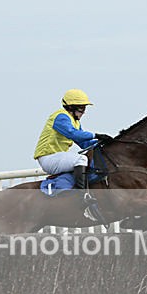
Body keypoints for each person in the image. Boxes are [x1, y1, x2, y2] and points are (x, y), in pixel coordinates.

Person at [33, 89, 113, 221]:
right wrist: (97, 135)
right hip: (48, 158)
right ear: (71, 107)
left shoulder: (74, 121)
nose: (84, 112)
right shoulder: (61, 117)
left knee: (84, 158)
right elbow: (73, 134)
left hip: (57, 157)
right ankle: (80, 196)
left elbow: (84, 142)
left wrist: (103, 143)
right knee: (81, 159)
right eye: (81, 109)